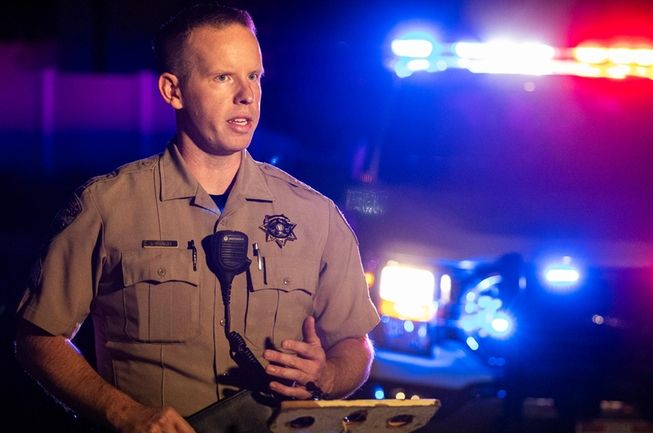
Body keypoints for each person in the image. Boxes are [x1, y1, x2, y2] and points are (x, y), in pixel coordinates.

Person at [14, 4, 380, 433]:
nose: (246, 94)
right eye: (223, 77)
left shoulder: (315, 215)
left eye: (254, 76)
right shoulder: (108, 206)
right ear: (173, 90)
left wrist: (331, 374)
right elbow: (38, 338)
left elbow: (355, 343)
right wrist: (124, 413)